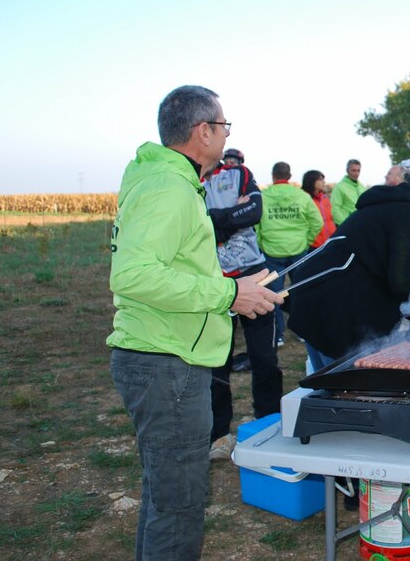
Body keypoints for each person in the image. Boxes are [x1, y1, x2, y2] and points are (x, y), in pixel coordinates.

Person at [107, 85, 281, 560]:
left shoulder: (172, 181)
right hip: (167, 363)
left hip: (167, 354)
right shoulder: (168, 187)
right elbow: (134, 275)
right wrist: (229, 294)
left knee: (165, 496)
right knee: (179, 505)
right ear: (204, 131)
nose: (227, 135)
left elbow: (175, 269)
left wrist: (236, 291)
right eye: (224, 126)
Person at [288, 161, 410, 368]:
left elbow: (391, 273)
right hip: (335, 310)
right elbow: (402, 282)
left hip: (316, 300)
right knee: (340, 384)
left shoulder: (395, 206)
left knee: (328, 383)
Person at [202, 150, 283, 460]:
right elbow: (193, 227)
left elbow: (253, 211)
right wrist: (229, 217)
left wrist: (215, 219)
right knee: (217, 363)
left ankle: (270, 425)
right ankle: (219, 434)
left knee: (265, 358)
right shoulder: (187, 182)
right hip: (214, 281)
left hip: (255, 274)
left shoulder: (238, 174)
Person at [257, 162, 323, 346]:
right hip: (298, 250)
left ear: (273, 176)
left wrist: (262, 243)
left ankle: (278, 335)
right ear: (290, 176)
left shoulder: (263, 196)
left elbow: (256, 225)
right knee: (301, 291)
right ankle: (303, 331)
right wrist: (306, 241)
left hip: (272, 250)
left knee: (274, 294)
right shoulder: (301, 196)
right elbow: (317, 221)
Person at [301, 169, 336, 248]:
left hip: (330, 242)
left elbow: (330, 219)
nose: (324, 182)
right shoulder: (304, 199)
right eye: (320, 180)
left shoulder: (324, 198)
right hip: (313, 245)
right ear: (311, 181)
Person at [331, 158, 367, 226]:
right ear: (347, 171)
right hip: (347, 225)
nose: (356, 173)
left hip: (361, 224)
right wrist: (345, 225)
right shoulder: (339, 187)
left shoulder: (362, 187)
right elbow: (334, 209)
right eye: (353, 170)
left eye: (358, 170)